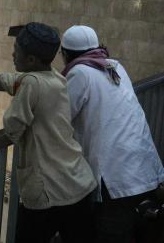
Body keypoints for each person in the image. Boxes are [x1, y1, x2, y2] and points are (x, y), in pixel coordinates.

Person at [0, 22, 96, 243]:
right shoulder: (54, 77)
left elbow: (13, 127)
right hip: (78, 184)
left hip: (49, 191)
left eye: (16, 51)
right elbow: (1, 81)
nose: (12, 54)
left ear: (31, 60)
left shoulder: (31, 85)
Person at [60, 25, 164, 243]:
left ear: (65, 54)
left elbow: (60, 116)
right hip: (142, 166)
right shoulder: (114, 66)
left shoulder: (79, 73)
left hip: (115, 177)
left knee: (113, 233)